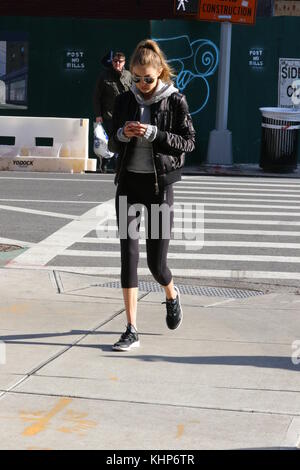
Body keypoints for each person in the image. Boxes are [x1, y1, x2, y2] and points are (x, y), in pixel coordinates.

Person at [108, 39, 196, 351]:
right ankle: (131, 327)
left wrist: (156, 134)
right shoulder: (124, 101)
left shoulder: (174, 101)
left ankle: (171, 293)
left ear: (160, 73)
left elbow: (189, 143)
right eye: (137, 78)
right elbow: (112, 143)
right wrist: (122, 133)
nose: (143, 84)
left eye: (148, 78)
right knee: (128, 256)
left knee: (157, 265)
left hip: (159, 189)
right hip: (129, 185)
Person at [93, 51, 132, 172]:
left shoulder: (128, 75)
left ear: (124, 62)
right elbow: (97, 97)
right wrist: (98, 115)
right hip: (109, 115)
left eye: (120, 61)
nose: (117, 64)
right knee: (110, 139)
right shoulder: (104, 76)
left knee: (122, 139)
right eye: (115, 61)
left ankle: (118, 164)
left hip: (125, 115)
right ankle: (106, 161)